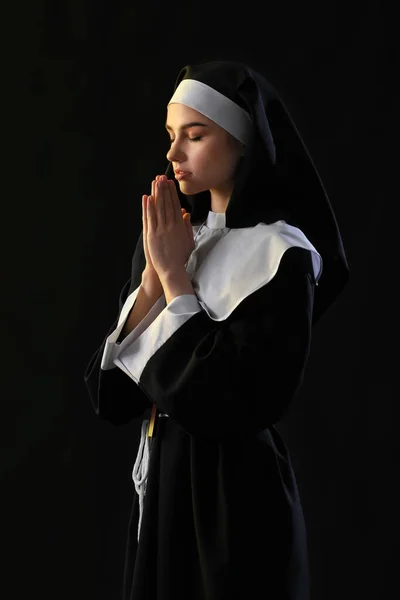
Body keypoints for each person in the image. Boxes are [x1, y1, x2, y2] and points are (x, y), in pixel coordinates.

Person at [84, 60, 350, 600]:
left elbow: (230, 401)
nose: (173, 153)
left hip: (234, 506)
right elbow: (109, 396)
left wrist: (177, 279)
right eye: (170, 136)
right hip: (164, 494)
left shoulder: (283, 254)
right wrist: (156, 284)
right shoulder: (175, 238)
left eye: (195, 135)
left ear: (243, 140)